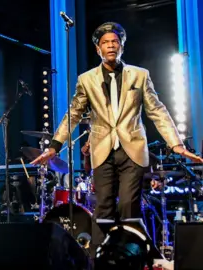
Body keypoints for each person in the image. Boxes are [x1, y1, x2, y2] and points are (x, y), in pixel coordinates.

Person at [30, 22, 203, 258]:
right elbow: (73, 115)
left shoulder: (140, 75)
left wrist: (177, 144)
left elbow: (157, 111)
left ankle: (129, 257)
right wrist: (54, 146)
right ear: (98, 49)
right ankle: (99, 259)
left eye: (114, 42)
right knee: (103, 208)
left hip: (132, 149)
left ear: (121, 46)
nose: (110, 46)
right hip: (102, 150)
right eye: (105, 43)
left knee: (129, 207)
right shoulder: (86, 79)